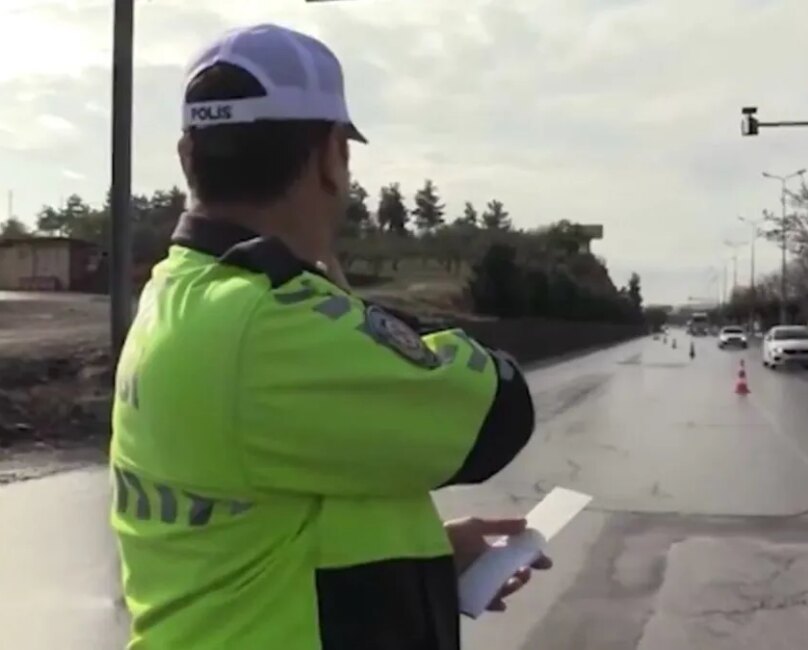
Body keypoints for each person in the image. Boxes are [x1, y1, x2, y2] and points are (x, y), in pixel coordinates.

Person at [110, 23, 547, 650]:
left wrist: (427, 560)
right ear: (331, 159)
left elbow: (263, 526)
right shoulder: (270, 325)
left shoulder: (176, 297)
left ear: (187, 157)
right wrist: (343, 300)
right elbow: (500, 412)